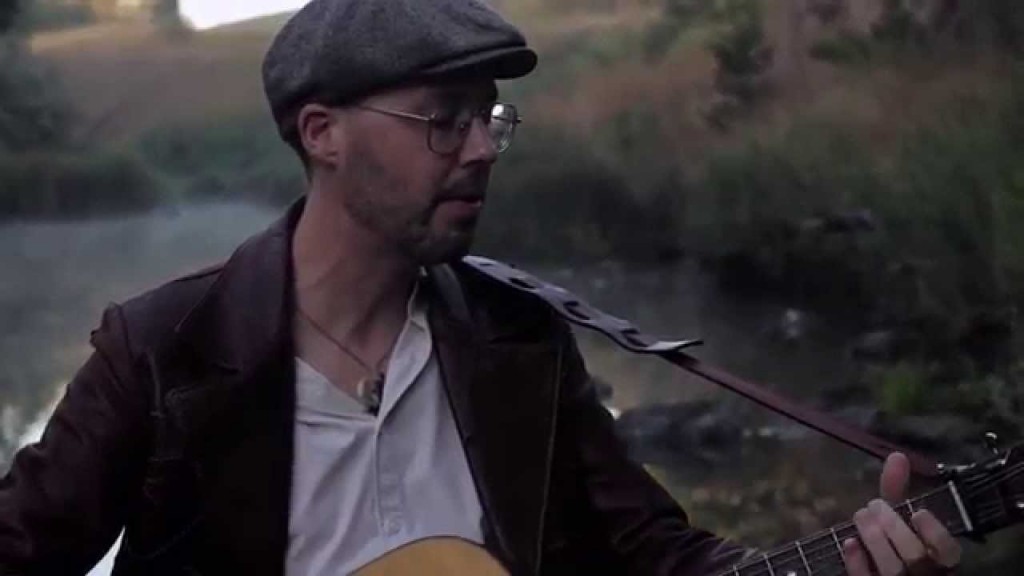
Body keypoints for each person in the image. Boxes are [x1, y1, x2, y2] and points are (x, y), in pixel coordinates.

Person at [0, 0, 961, 574]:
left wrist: (849, 563)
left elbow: (657, 560)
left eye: (490, 120)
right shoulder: (163, 349)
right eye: (442, 120)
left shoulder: (520, 340)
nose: (480, 150)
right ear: (322, 132)